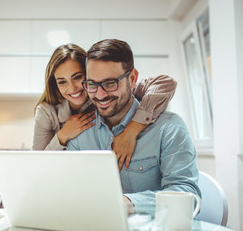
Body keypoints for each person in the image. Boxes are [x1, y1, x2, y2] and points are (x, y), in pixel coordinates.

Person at [67, 39, 200, 206]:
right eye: (92, 84)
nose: (100, 95)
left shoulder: (169, 128)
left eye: (110, 83)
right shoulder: (79, 134)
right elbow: (71, 191)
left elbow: (188, 196)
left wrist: (129, 202)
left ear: (132, 78)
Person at [33, 43, 177, 170]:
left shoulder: (106, 94)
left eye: (77, 77)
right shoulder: (47, 112)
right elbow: (36, 164)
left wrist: (132, 129)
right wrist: (62, 136)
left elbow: (165, 83)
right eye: (62, 82)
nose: (72, 88)